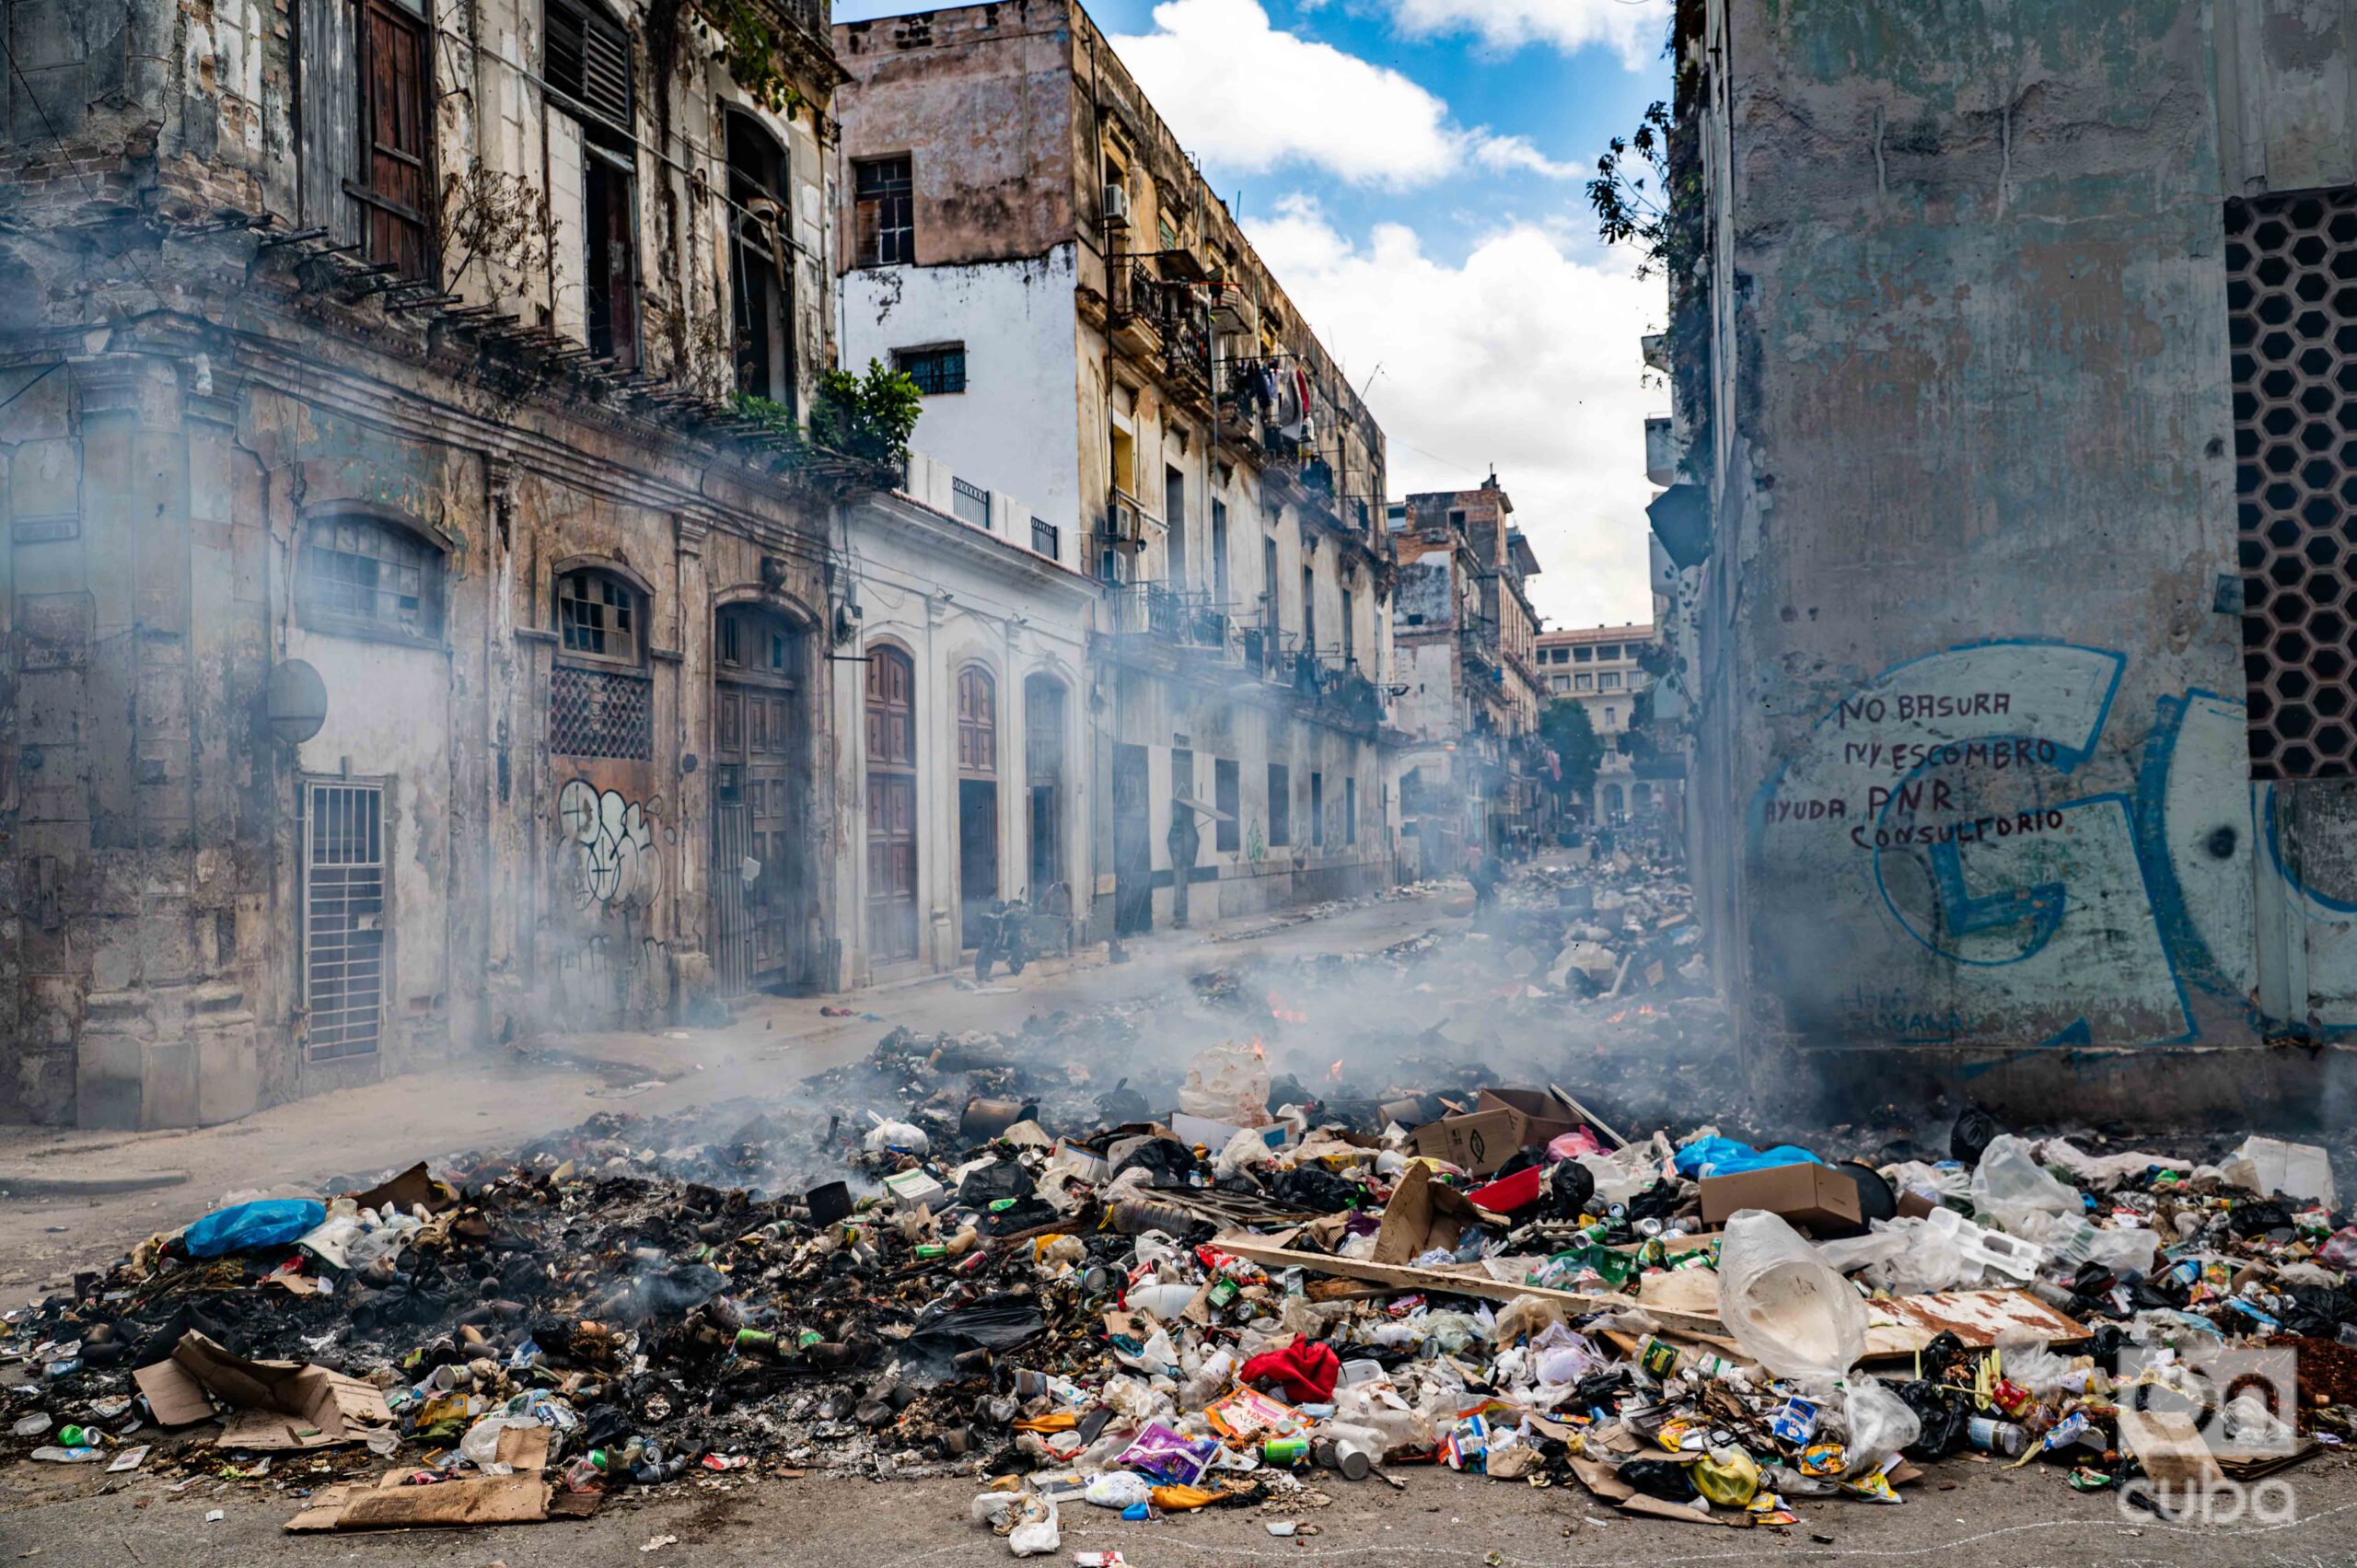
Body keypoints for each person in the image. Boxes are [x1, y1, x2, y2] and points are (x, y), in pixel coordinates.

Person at [1167, 804, 1202, 929]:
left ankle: (1180, 917)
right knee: (1181, 889)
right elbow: (1195, 841)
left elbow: (1170, 841)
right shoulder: (1188, 829)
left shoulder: (1179, 830)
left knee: (1180, 889)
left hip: (1180, 862)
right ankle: (1180, 917)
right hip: (1182, 862)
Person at [1467, 847, 1502, 911]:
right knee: (1484, 895)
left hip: (1479, 880)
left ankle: (1481, 910)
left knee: (1482, 895)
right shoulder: (1484, 862)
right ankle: (1484, 910)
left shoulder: (1483, 862)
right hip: (1480, 881)